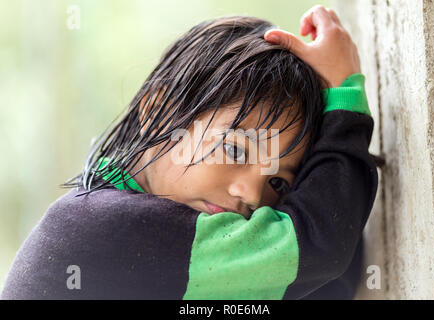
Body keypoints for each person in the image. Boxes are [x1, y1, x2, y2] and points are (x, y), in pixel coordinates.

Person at [1, 6, 378, 299]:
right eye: (234, 149)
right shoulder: (101, 228)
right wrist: (343, 97)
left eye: (278, 182)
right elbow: (316, 248)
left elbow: (326, 283)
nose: (251, 195)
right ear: (157, 112)